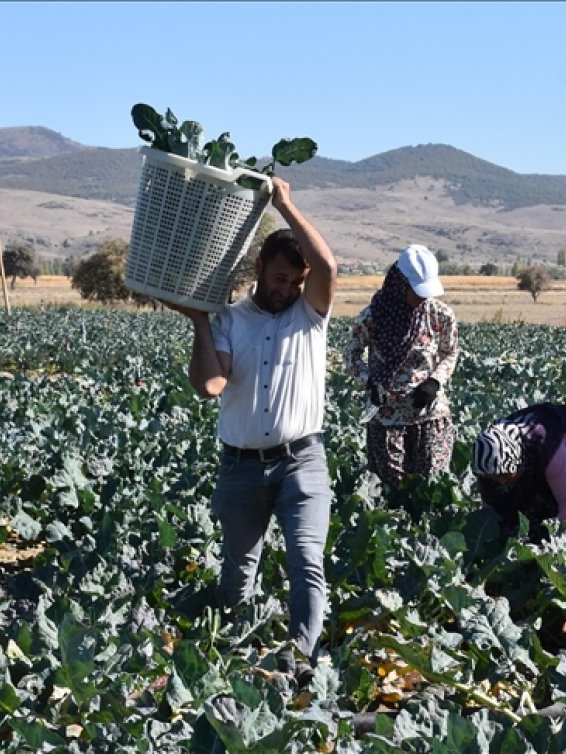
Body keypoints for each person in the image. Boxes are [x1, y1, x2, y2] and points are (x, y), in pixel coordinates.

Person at [164, 176, 337, 680]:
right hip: (240, 466)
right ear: (259, 268)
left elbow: (328, 266)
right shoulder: (229, 320)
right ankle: (233, 655)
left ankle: (302, 660)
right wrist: (198, 321)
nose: (287, 290)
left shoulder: (310, 315)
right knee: (238, 573)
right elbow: (211, 385)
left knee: (307, 559)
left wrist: (286, 203)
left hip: (301, 461)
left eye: (295, 282)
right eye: (280, 278)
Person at [344, 244, 459, 499]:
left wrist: (435, 382)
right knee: (391, 493)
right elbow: (351, 354)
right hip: (387, 418)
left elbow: (449, 352)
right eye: (417, 291)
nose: (422, 297)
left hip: (429, 415)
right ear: (400, 282)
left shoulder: (440, 315)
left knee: (431, 489)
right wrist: (370, 382)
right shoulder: (373, 316)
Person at [471, 403, 566, 554]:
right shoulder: (487, 461)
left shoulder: (546, 443)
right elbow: (492, 515)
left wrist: (558, 549)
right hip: (540, 459)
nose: (501, 481)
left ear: (517, 460)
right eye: (494, 478)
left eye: (505, 475)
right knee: (526, 525)